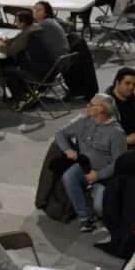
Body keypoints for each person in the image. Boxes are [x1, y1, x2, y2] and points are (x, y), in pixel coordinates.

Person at [55, 94, 126, 234]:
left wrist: (98, 175)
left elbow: (119, 163)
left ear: (100, 109)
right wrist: (68, 150)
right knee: (69, 175)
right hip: (84, 167)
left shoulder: (116, 133)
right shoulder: (84, 120)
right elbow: (60, 133)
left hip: (104, 176)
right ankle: (85, 218)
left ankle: (93, 199)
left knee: (100, 208)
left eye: (91, 104)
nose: (87, 106)